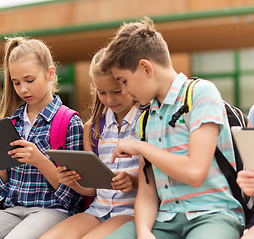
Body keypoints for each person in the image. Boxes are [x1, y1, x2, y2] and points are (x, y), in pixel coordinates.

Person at [101, 17, 244, 239]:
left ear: (146, 68)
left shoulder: (200, 93)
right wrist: (144, 232)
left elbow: (195, 172)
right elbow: (148, 191)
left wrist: (141, 147)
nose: (124, 90)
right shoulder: (145, 118)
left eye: (124, 81)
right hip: (164, 219)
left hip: (213, 214)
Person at [0, 37, 83, 239]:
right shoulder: (11, 123)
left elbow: (74, 195)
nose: (23, 89)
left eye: (29, 80)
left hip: (53, 210)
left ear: (50, 74)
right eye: (16, 83)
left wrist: (39, 160)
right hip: (13, 210)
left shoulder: (69, 122)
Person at [40, 48, 142, 239]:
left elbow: (155, 181)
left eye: (117, 91)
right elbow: (92, 189)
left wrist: (133, 182)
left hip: (130, 212)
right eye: (102, 92)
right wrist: (72, 181)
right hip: (98, 209)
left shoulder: (146, 122)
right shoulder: (94, 128)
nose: (109, 100)